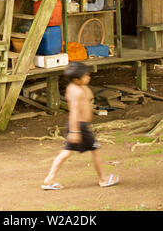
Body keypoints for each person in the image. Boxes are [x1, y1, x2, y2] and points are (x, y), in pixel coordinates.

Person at [42, 61, 119, 190]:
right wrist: (74, 132)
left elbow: (89, 96)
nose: (88, 77)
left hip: (79, 126)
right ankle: (102, 179)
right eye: (86, 75)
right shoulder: (76, 92)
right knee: (96, 150)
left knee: (66, 153)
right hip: (79, 127)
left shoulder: (76, 87)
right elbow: (74, 112)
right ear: (77, 79)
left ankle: (49, 179)